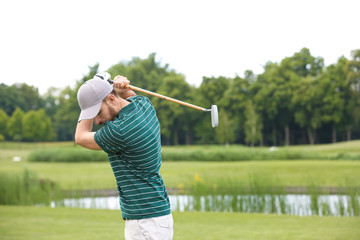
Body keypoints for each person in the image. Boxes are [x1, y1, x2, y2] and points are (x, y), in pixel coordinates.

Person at [75, 74, 173, 240]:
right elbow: (129, 99)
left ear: (112, 99)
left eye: (97, 112)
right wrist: (124, 90)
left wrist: (86, 108)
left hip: (144, 221)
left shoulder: (119, 131)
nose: (97, 120)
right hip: (157, 215)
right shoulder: (144, 105)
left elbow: (80, 137)